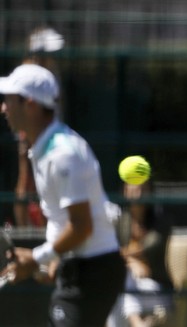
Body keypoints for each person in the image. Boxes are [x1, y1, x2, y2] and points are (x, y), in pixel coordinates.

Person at [0, 63, 126, 327]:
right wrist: (52, 261)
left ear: (30, 105)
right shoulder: (42, 150)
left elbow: (81, 226)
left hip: (94, 270)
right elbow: (60, 218)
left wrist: (37, 258)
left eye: (9, 101)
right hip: (79, 267)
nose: (3, 108)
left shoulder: (63, 154)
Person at [12, 27, 64, 227]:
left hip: (50, 132)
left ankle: (44, 228)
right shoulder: (28, 73)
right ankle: (23, 230)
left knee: (46, 181)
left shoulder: (52, 72)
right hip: (32, 131)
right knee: (26, 176)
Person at [108, 181, 174, 327]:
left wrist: (124, 258)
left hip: (156, 290)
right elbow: (109, 253)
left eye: (143, 190)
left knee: (120, 294)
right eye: (134, 190)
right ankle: (138, 323)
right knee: (120, 293)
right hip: (128, 290)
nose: (138, 195)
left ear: (151, 193)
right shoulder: (120, 220)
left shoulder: (160, 219)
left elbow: (147, 246)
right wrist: (131, 263)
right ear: (125, 192)